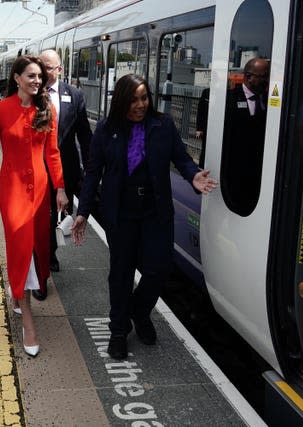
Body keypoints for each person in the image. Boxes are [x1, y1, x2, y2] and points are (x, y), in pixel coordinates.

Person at [71, 74, 217, 360]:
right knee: (121, 273)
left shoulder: (163, 125)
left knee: (158, 269)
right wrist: (83, 212)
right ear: (122, 101)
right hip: (121, 212)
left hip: (155, 210)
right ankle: (118, 329)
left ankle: (139, 311)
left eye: (144, 98)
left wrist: (193, 176)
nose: (140, 105)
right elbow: (93, 172)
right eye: (134, 99)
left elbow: (181, 158)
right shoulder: (106, 128)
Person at [0, 55, 68, 357]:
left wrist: (61, 188)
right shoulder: (1, 110)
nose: (37, 80)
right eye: (31, 75)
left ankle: (17, 294)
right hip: (12, 190)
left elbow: (53, 153)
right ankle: (28, 321)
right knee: (21, 245)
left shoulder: (47, 110)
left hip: (42, 191)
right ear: (16, 78)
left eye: (40, 76)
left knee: (38, 248)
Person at [38, 49, 93, 291]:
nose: (44, 72)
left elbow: (84, 134)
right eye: (41, 66)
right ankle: (46, 257)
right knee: (43, 215)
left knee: (59, 213)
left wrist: (92, 166)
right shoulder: (31, 92)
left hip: (66, 167)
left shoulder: (75, 95)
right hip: (37, 167)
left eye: (50, 67)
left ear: (59, 69)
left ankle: (51, 250)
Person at [220, 57, 269, 216]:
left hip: (257, 175)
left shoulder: (269, 102)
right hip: (233, 174)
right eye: (264, 77)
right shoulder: (228, 100)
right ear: (248, 77)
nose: (267, 81)